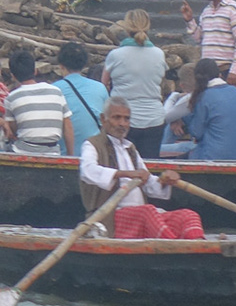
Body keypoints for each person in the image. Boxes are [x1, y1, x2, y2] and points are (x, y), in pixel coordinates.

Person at [79, 99, 195, 240]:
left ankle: (197, 249)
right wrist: (125, 174)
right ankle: (175, 248)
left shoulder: (130, 149)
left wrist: (165, 180)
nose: (122, 123)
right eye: (117, 118)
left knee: (188, 216)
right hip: (111, 218)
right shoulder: (92, 144)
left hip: (142, 216)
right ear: (104, 119)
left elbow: (148, 181)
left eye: (126, 119)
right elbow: (88, 171)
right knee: (147, 212)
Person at [101, 10, 168, 159]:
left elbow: (103, 85)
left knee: (123, 166)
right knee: (149, 170)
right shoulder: (159, 54)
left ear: (126, 27)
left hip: (122, 120)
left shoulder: (116, 55)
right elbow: (161, 82)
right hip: (154, 119)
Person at [3, 51, 73, 155]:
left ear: (13, 76)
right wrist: (71, 156)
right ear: (35, 71)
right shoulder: (56, 91)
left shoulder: (11, 98)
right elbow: (68, 127)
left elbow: (14, 129)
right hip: (53, 152)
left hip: (22, 152)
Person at [186, 58, 236, 161]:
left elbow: (196, 132)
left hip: (213, 156)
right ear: (219, 74)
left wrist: (185, 119)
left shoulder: (204, 97)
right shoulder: (235, 91)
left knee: (167, 148)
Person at [52, 42, 108, 153]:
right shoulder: (100, 88)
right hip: (95, 154)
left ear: (61, 65)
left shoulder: (54, 90)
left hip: (64, 154)